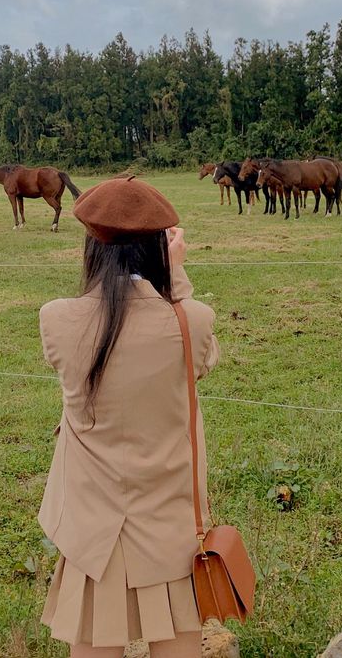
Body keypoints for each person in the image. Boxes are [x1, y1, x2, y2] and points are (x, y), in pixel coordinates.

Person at [38, 176, 220, 658]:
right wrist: (175, 277)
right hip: (169, 520)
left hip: (91, 527)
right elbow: (202, 359)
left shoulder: (56, 318)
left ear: (92, 248)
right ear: (160, 248)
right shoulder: (192, 321)